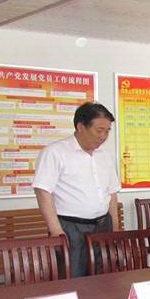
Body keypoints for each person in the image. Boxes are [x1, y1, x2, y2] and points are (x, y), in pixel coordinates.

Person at [33, 102, 120, 278]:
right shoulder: (55, 152)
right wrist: (57, 232)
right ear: (81, 126)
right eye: (99, 130)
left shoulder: (104, 156)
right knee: (72, 279)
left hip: (103, 226)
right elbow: (43, 192)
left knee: (104, 279)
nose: (103, 136)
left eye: (107, 131)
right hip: (71, 229)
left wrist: (115, 228)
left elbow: (112, 193)